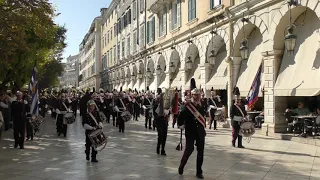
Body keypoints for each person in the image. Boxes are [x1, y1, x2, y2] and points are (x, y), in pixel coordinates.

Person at [178, 78, 206, 179]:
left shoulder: (201, 106)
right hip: (190, 132)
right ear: (192, 95)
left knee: (201, 152)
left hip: (200, 132)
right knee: (189, 150)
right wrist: (180, 124)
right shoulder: (187, 106)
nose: (198, 97)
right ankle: (181, 166)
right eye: (195, 95)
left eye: (199, 95)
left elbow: (203, 117)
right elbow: (180, 117)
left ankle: (199, 171)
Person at [154, 88, 168, 155]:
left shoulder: (166, 105)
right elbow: (155, 113)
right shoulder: (156, 104)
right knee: (161, 135)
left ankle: (163, 149)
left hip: (165, 121)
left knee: (165, 135)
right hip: (158, 120)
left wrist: (167, 112)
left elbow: (169, 110)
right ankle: (158, 147)